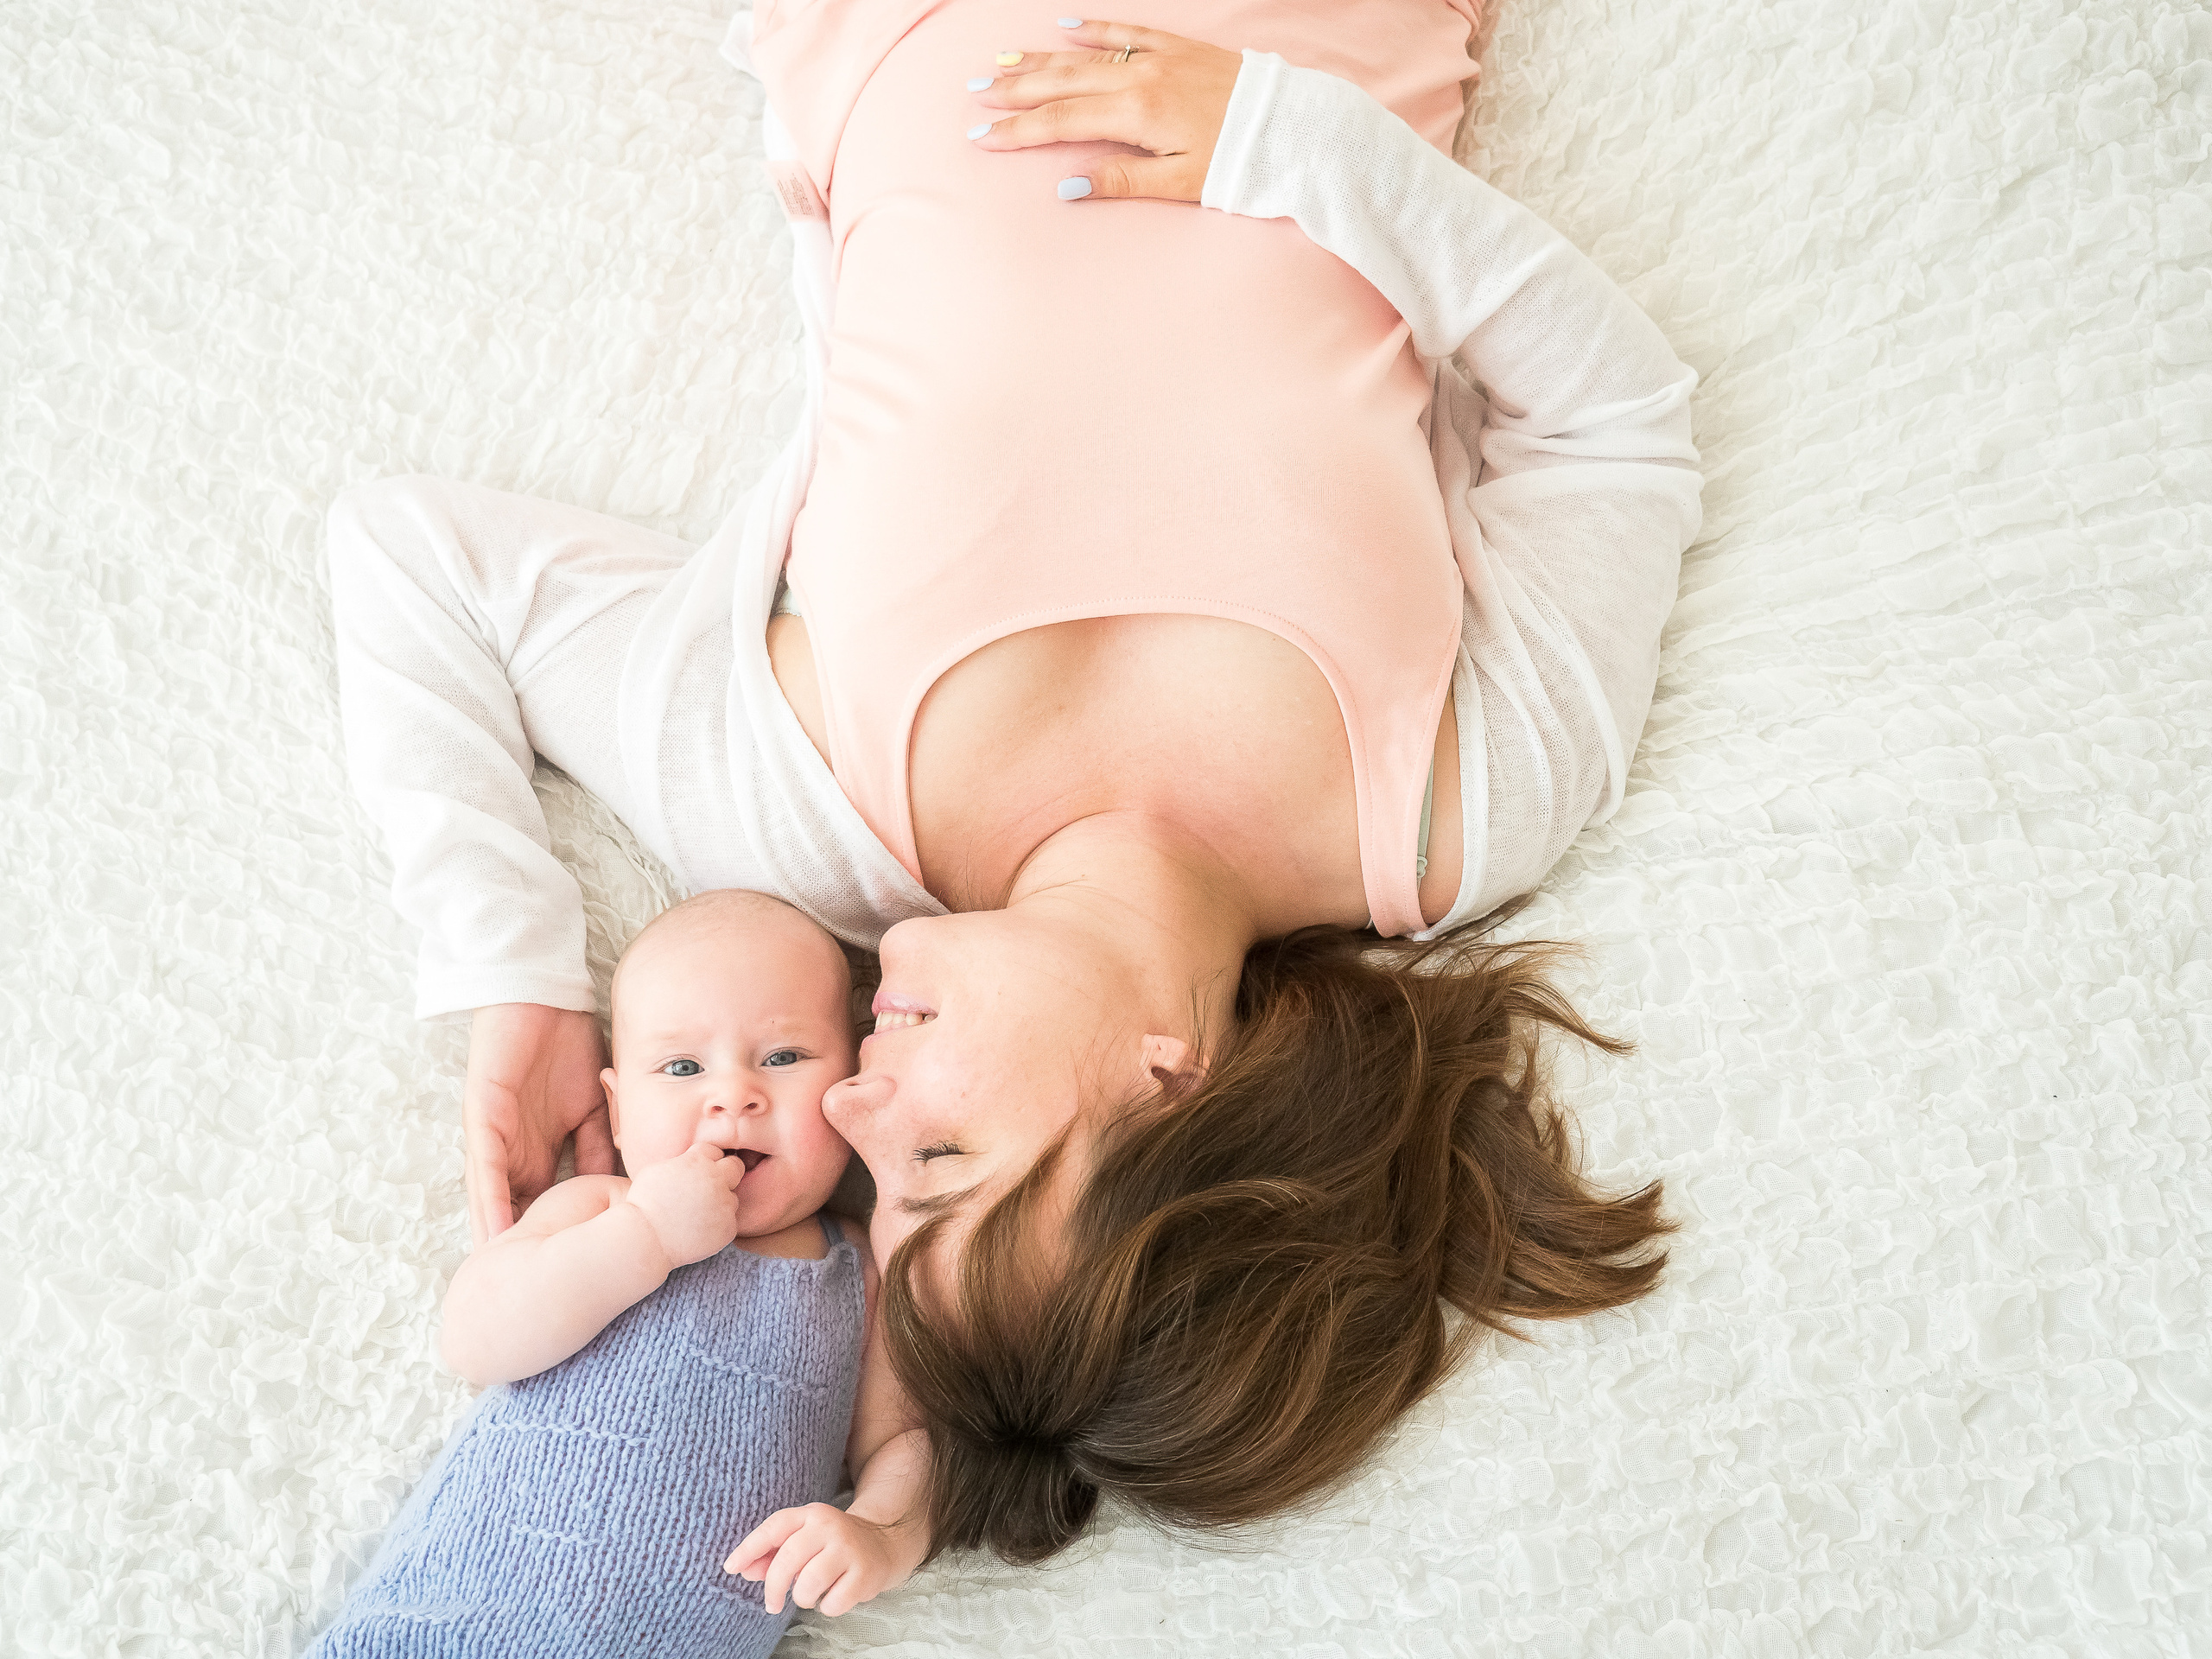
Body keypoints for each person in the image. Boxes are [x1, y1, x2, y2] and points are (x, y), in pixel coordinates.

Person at [329, 1, 1700, 1567]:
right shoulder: (1456, 812)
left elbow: (413, 564)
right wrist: (1280, 141)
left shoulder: (798, 805)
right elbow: (1619, 428)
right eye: (940, 1164)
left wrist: (515, 971)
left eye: (872, 1183)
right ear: (1173, 1084)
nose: (847, 1103)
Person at [307, 893, 929, 1654]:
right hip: (452, 1622)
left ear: (853, 1082)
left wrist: (880, 1535)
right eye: (681, 1067)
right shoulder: (602, 1206)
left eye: (783, 1057)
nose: (732, 1093)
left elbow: (906, 1443)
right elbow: (475, 1338)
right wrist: (646, 1236)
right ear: (619, 1111)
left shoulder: (860, 1274)